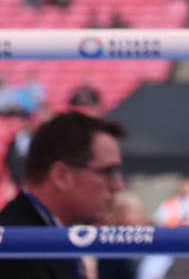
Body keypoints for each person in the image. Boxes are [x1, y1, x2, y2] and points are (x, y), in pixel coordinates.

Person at [0, 110, 127, 279]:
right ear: (61, 176)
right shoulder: (15, 250)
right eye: (107, 172)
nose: (118, 185)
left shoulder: (41, 235)